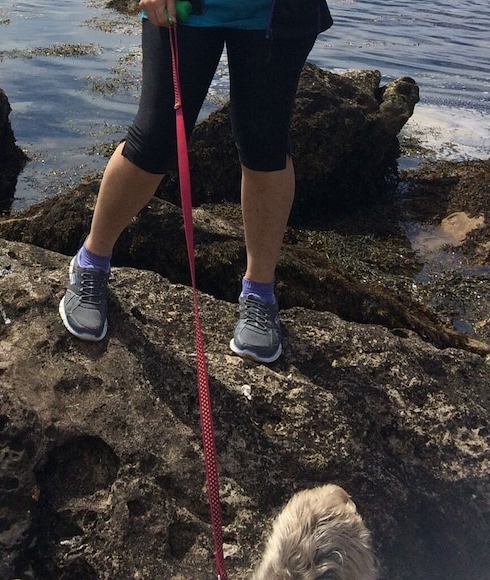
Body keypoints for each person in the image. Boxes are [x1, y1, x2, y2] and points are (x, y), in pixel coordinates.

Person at [58, 0, 333, 363]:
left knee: (264, 146)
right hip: (185, 7)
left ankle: (259, 295)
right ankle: (91, 262)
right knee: (155, 140)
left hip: (276, 14)